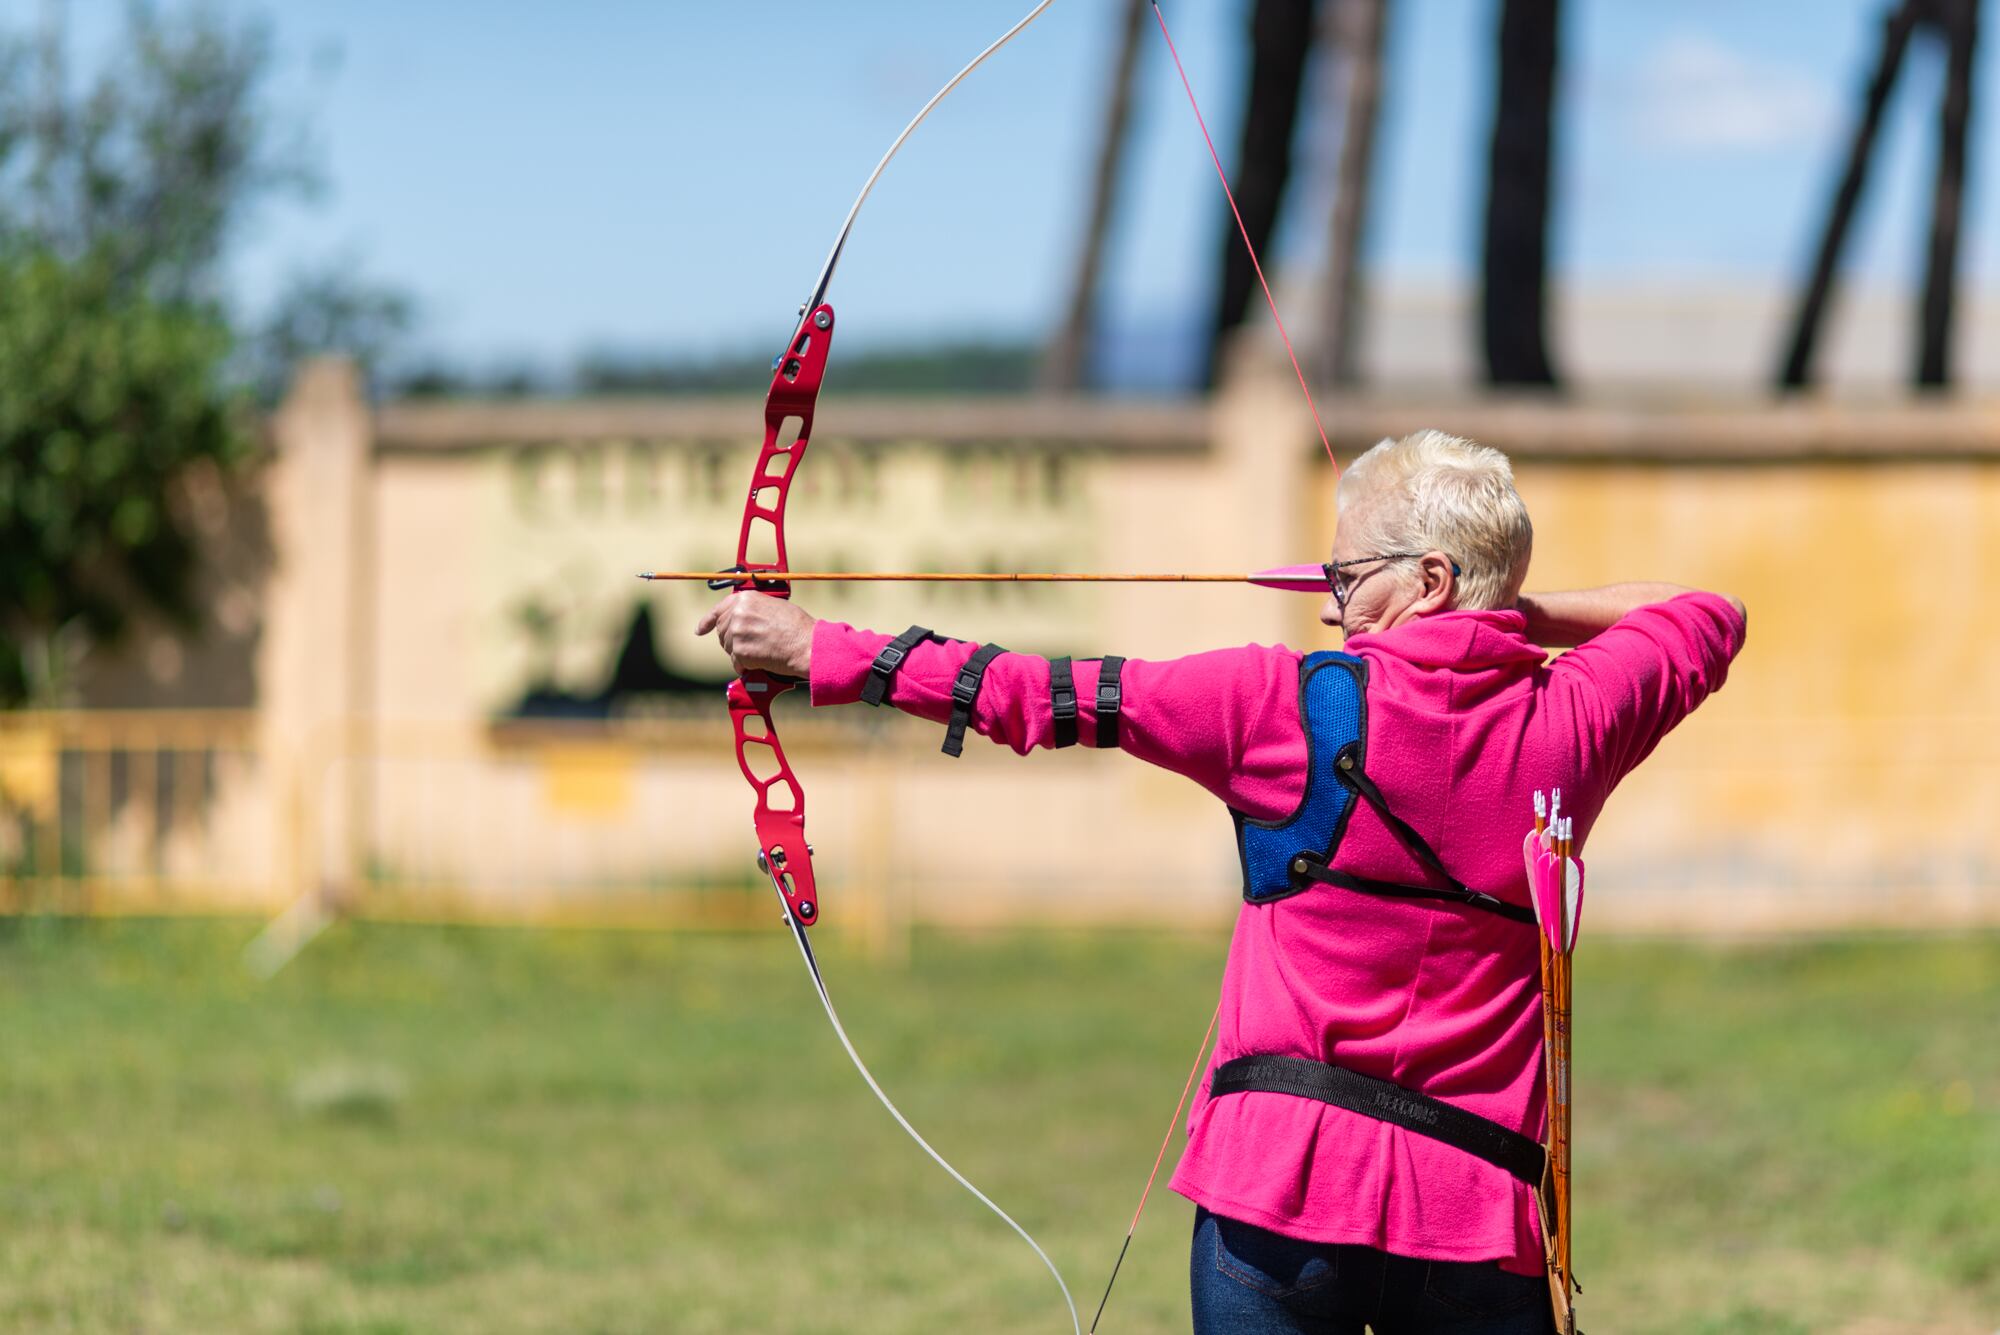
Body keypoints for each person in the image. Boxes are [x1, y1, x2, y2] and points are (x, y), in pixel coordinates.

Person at [699, 429, 1747, 1335]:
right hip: (1474, 1220)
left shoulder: (1267, 701)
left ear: (1426, 577)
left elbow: (1031, 697)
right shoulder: (1578, 716)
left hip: (1277, 1197)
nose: (1332, 596)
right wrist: (1493, 612)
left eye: (1350, 572)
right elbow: (1703, 611)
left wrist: (812, 648)